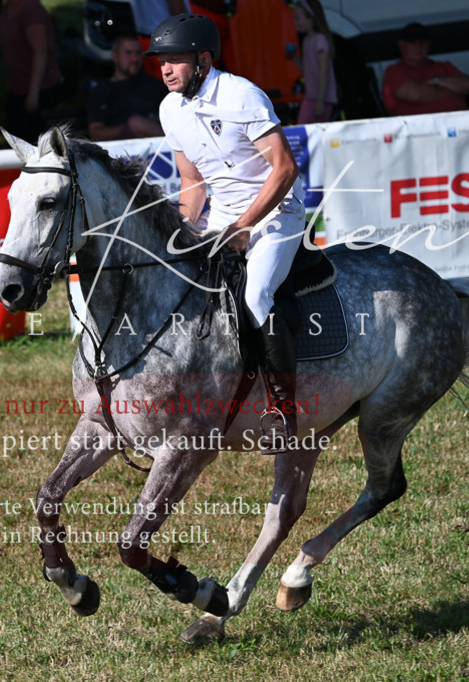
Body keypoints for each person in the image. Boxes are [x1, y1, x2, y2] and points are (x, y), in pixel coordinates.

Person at [146, 13, 305, 455]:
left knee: (255, 297)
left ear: (203, 59)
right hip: (223, 216)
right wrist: (176, 236)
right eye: (161, 61)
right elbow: (192, 186)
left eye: (174, 60)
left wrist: (243, 227)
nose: (165, 69)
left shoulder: (241, 94)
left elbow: (285, 169)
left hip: (277, 212)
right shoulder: (169, 108)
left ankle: (282, 410)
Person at [0, 0, 64, 142]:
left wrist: (33, 94)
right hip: (17, 90)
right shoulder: (8, 8)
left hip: (38, 92)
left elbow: (41, 51)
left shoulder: (31, 10)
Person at [381, 23, 469, 116]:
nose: (418, 46)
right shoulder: (393, 70)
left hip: (459, 123)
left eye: (423, 41)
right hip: (419, 128)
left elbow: (468, 85)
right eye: (412, 42)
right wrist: (455, 93)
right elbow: (416, 95)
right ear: (401, 45)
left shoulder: (444, 65)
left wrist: (436, 80)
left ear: (429, 44)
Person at [87, 35, 166, 141]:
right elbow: (96, 133)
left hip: (161, 149)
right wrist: (132, 127)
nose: (134, 59)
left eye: (138, 53)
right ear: (115, 56)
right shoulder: (101, 91)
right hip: (120, 152)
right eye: (128, 53)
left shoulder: (157, 85)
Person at [290, 0, 338, 124]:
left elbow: (324, 71)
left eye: (298, 18)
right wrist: (295, 57)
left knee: (305, 129)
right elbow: (306, 70)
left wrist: (320, 101)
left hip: (321, 98)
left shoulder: (319, 40)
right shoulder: (306, 41)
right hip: (312, 97)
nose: (295, 22)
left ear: (310, 18)